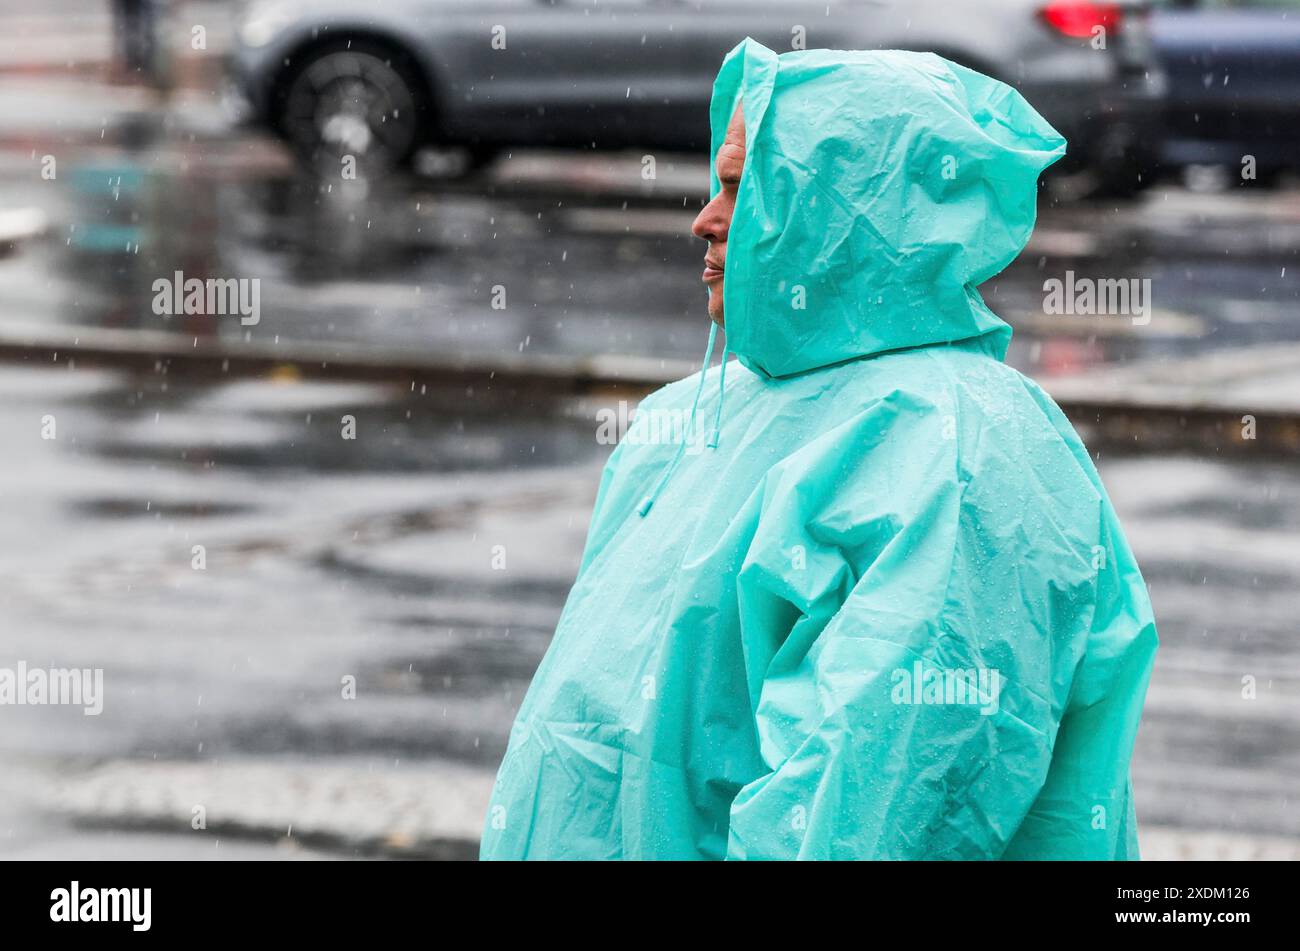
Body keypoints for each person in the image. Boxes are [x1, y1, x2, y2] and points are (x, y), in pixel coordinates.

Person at [480, 38, 1158, 860]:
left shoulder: (958, 454)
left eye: (742, 187)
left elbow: (873, 811)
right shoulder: (698, 417)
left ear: (839, 206)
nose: (705, 218)